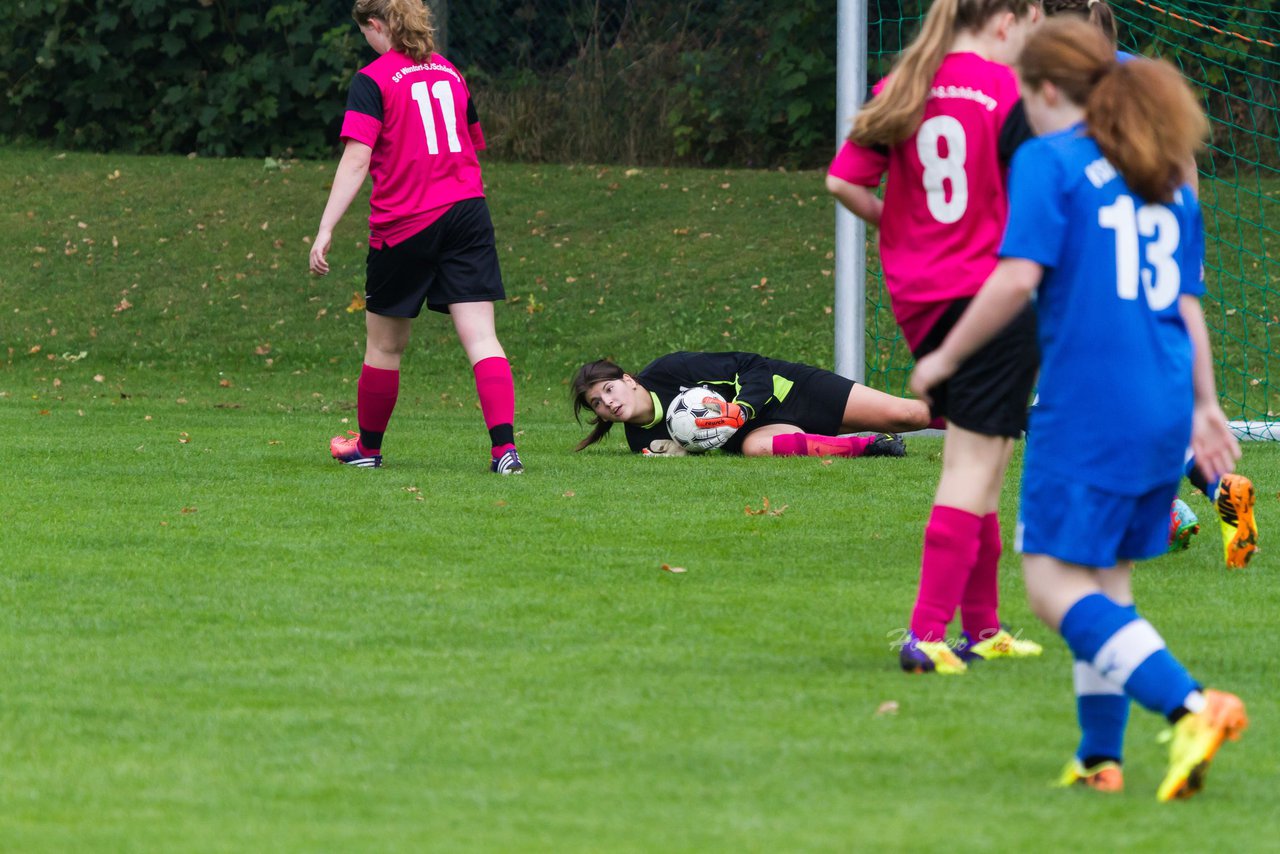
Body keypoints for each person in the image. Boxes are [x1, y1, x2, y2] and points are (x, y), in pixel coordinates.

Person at [909, 18, 1247, 800]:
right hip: (1164, 399)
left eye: (1025, 94)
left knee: (1052, 590)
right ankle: (1101, 759)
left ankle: (1192, 706)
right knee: (1107, 581)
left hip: (1092, 404)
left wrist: (945, 356)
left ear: (1048, 90)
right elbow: (1187, 306)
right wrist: (1206, 403)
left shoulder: (1049, 160)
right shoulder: (1162, 169)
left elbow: (1017, 278)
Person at [827, 0, 1045, 675]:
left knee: (984, 458)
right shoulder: (1007, 91)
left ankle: (982, 628)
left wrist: (904, 222)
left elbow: (842, 181)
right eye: (1033, 26)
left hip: (922, 302)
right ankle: (927, 634)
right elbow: (1037, 196)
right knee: (973, 469)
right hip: (990, 300)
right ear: (1007, 19)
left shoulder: (903, 84)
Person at [1039, 0, 1258, 567]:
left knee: (1099, 401)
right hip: (1155, 261)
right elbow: (1184, 163)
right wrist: (1189, 246)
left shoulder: (1060, 88)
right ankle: (1210, 488)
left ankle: (1157, 513)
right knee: (1145, 388)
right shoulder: (1140, 75)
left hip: (1100, 268)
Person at [309, 0, 523, 474]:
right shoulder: (451, 72)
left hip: (405, 222)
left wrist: (325, 228)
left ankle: (368, 447)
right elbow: (470, 142)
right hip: (468, 212)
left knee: (385, 347)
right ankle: (504, 451)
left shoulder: (372, 79)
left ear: (377, 24)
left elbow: (357, 160)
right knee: (483, 337)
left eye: (365, 29)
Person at [571, 352, 930, 456]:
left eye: (609, 389)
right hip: (760, 429)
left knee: (906, 414)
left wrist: (740, 409)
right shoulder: (640, 442)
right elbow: (696, 451)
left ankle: (977, 414)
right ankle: (872, 447)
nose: (608, 403)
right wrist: (682, 456)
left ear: (629, 380)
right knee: (756, 447)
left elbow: (751, 364)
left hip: (789, 390)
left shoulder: (670, 369)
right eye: (597, 403)